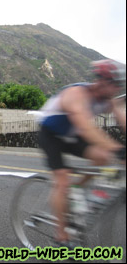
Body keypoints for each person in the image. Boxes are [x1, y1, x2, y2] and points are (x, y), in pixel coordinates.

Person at [38, 59, 126, 247]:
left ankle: (77, 188)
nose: (117, 90)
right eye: (116, 85)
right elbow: (86, 128)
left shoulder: (108, 101)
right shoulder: (76, 94)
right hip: (51, 134)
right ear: (103, 81)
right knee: (62, 180)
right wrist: (118, 150)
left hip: (71, 135)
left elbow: (123, 122)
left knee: (102, 156)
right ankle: (61, 236)